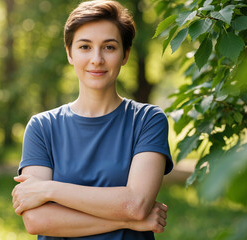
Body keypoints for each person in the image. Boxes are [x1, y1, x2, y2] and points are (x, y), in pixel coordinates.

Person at [12, 0, 173, 239]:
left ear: (125, 54)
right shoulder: (42, 127)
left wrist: (49, 190)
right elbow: (37, 220)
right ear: (69, 53)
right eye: (85, 47)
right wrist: (131, 222)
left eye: (109, 47)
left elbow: (136, 205)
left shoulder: (148, 120)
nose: (96, 59)